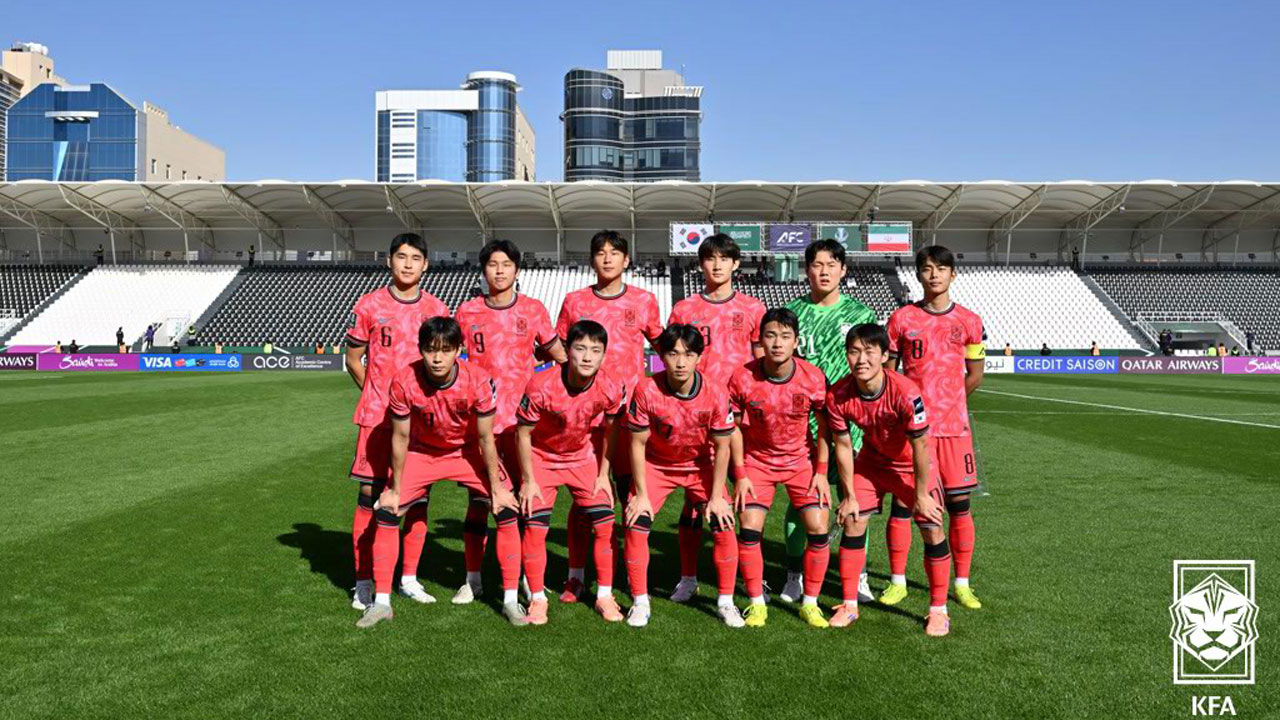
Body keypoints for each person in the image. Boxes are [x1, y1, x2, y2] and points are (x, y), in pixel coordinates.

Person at [357, 317, 524, 628]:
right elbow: (401, 436)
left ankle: (511, 601)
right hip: (423, 452)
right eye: (431, 350)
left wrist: (497, 486)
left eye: (446, 350)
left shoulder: (478, 379)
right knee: (388, 511)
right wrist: (394, 485)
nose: (437, 358)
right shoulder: (405, 380)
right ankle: (381, 603)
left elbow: (487, 437)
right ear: (420, 350)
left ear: (459, 350)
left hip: (467, 451)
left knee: (506, 510)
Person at [554, 230, 662, 603]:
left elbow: (664, 347)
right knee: (587, 500)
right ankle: (576, 575)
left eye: (615, 253)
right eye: (600, 253)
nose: (607, 259)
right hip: (586, 419)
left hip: (631, 417)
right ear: (591, 260)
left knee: (631, 494)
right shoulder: (574, 301)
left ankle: (629, 579)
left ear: (627, 260)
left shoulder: (645, 301)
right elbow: (559, 350)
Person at [344, 233, 449, 612]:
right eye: (401, 257)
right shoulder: (370, 304)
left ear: (426, 265)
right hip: (377, 418)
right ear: (389, 261)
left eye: (415, 257)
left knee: (417, 500)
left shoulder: (437, 309)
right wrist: (374, 392)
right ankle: (363, 581)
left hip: (421, 422)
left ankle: (408, 578)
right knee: (369, 498)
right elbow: (354, 358)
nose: (407, 264)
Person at [827, 323, 951, 636]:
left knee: (932, 526)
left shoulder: (906, 393)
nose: (861, 359)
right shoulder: (839, 394)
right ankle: (849, 604)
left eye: (869, 352)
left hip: (911, 465)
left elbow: (921, 445)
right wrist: (849, 494)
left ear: (884, 356)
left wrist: (922, 494)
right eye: (854, 351)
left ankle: (938, 610)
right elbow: (842, 447)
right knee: (854, 520)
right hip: (871, 462)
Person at [664, 233, 765, 603]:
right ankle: (688, 576)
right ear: (701, 264)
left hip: (738, 417)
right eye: (710, 258)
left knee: (744, 496)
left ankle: (747, 576)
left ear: (736, 264)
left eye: (725, 258)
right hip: (695, 415)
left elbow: (759, 364)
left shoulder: (754, 309)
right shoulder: (684, 309)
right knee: (694, 500)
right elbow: (671, 360)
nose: (717, 265)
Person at [885, 245, 986, 610]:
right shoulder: (901, 319)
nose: (934, 274)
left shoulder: (970, 321)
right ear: (918, 274)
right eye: (927, 268)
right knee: (903, 505)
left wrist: (950, 404)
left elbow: (975, 375)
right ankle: (897, 580)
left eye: (941, 268)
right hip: (911, 433)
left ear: (952, 274)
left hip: (954, 431)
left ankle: (962, 582)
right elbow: (890, 375)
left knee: (959, 507)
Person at [623, 324, 740, 628]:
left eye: (688, 354)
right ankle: (640, 601)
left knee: (724, 523)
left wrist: (716, 497)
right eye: (673, 353)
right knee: (636, 521)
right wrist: (642, 494)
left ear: (699, 357)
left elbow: (723, 446)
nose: (680, 362)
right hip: (658, 464)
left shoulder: (715, 391)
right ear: (661, 355)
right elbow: (636, 443)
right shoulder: (646, 389)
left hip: (700, 464)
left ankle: (726, 602)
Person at [781, 238, 876, 604]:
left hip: (850, 422)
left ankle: (860, 576)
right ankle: (793, 575)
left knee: (856, 500)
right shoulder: (791, 313)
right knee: (801, 501)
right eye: (817, 265)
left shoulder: (861, 313)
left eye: (831, 265)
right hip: (801, 425)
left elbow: (874, 367)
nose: (824, 271)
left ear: (843, 270)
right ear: (807, 270)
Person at [516, 320, 625, 625]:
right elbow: (522, 433)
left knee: (604, 523)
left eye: (595, 350)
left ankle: (603, 594)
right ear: (567, 350)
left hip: (582, 458)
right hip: (542, 458)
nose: (587, 357)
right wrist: (528, 480)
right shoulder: (540, 384)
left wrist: (605, 474)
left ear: (604, 355)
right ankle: (537, 598)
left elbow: (611, 431)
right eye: (580, 348)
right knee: (535, 527)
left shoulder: (611, 385)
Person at [728, 308, 832, 628]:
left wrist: (821, 472)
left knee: (818, 528)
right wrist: (741, 474)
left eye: (785, 336)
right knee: (749, 527)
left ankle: (810, 602)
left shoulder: (813, 376)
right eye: (771, 335)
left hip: (801, 462)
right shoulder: (742, 377)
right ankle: (757, 602)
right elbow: (730, 428)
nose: (777, 343)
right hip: (757, 462)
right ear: (760, 339)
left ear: (796, 342)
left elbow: (825, 425)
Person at [456, 239, 565, 511]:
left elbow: (560, 355)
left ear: (517, 271)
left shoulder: (533, 309)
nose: (500, 271)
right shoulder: (467, 312)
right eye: (493, 265)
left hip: (522, 421)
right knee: (479, 501)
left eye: (507, 265)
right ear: (484, 270)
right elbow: (452, 360)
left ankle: (520, 553)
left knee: (524, 495)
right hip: (482, 419)